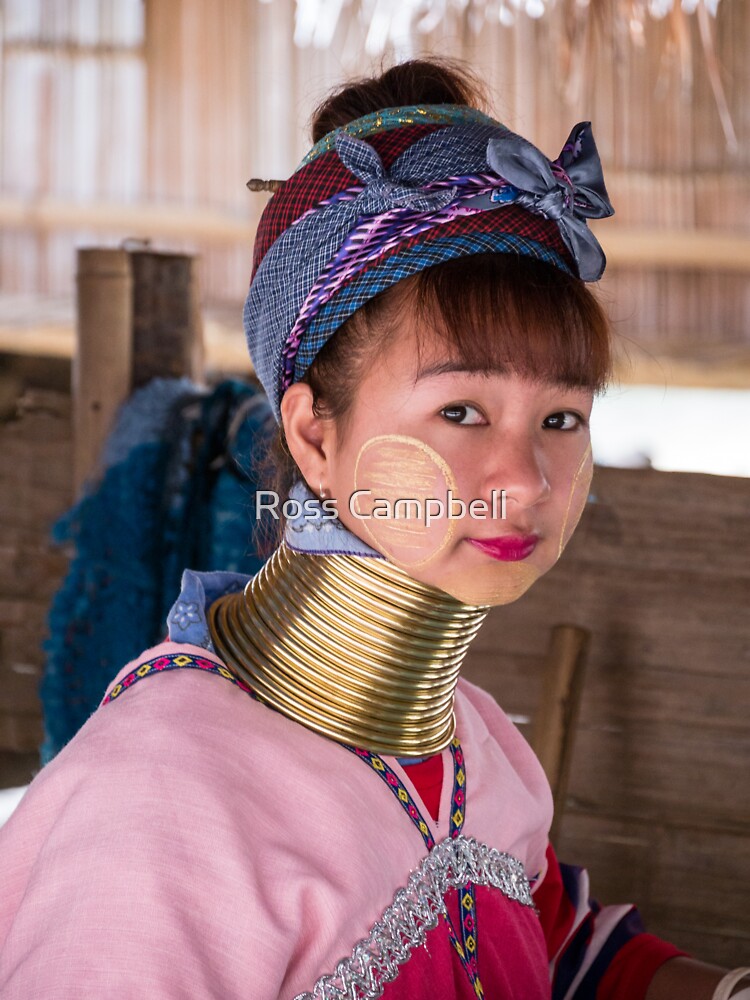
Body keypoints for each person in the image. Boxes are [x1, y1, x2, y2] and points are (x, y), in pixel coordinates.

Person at [0, 59, 747, 1000]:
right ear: (315, 434)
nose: (523, 480)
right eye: (462, 413)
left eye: (560, 418)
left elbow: (548, 947)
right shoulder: (163, 800)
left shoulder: (473, 742)